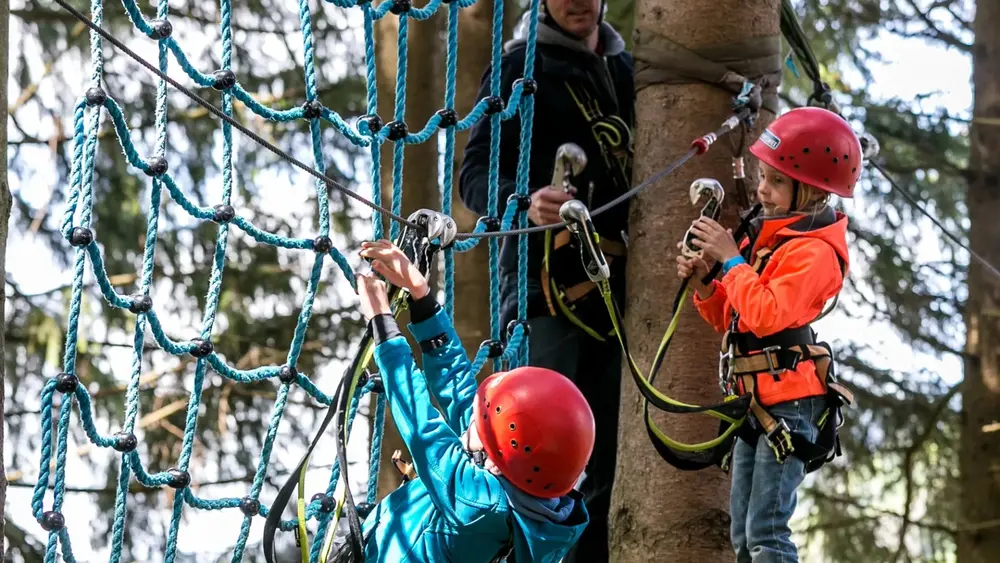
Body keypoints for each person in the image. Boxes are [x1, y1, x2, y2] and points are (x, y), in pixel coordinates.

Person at [458, 1, 633, 558]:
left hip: (620, 296)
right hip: (544, 293)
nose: (577, 1)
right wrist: (524, 202)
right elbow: (474, 173)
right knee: (536, 454)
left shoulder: (627, 73)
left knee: (608, 469)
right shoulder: (518, 68)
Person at [676, 106, 859, 562]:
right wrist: (706, 281)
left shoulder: (814, 253)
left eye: (776, 181)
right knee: (743, 535)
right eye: (763, 176)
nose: (762, 189)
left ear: (813, 190)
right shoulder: (773, 239)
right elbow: (732, 319)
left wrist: (731, 260)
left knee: (766, 533)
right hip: (759, 400)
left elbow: (766, 314)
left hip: (791, 406)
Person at [345, 239, 595, 563]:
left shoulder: (478, 504)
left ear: (497, 461)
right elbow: (460, 389)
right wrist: (422, 301)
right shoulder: (536, 494)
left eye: (484, 419)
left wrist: (382, 325)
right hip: (385, 533)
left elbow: (422, 428)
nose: (476, 413)